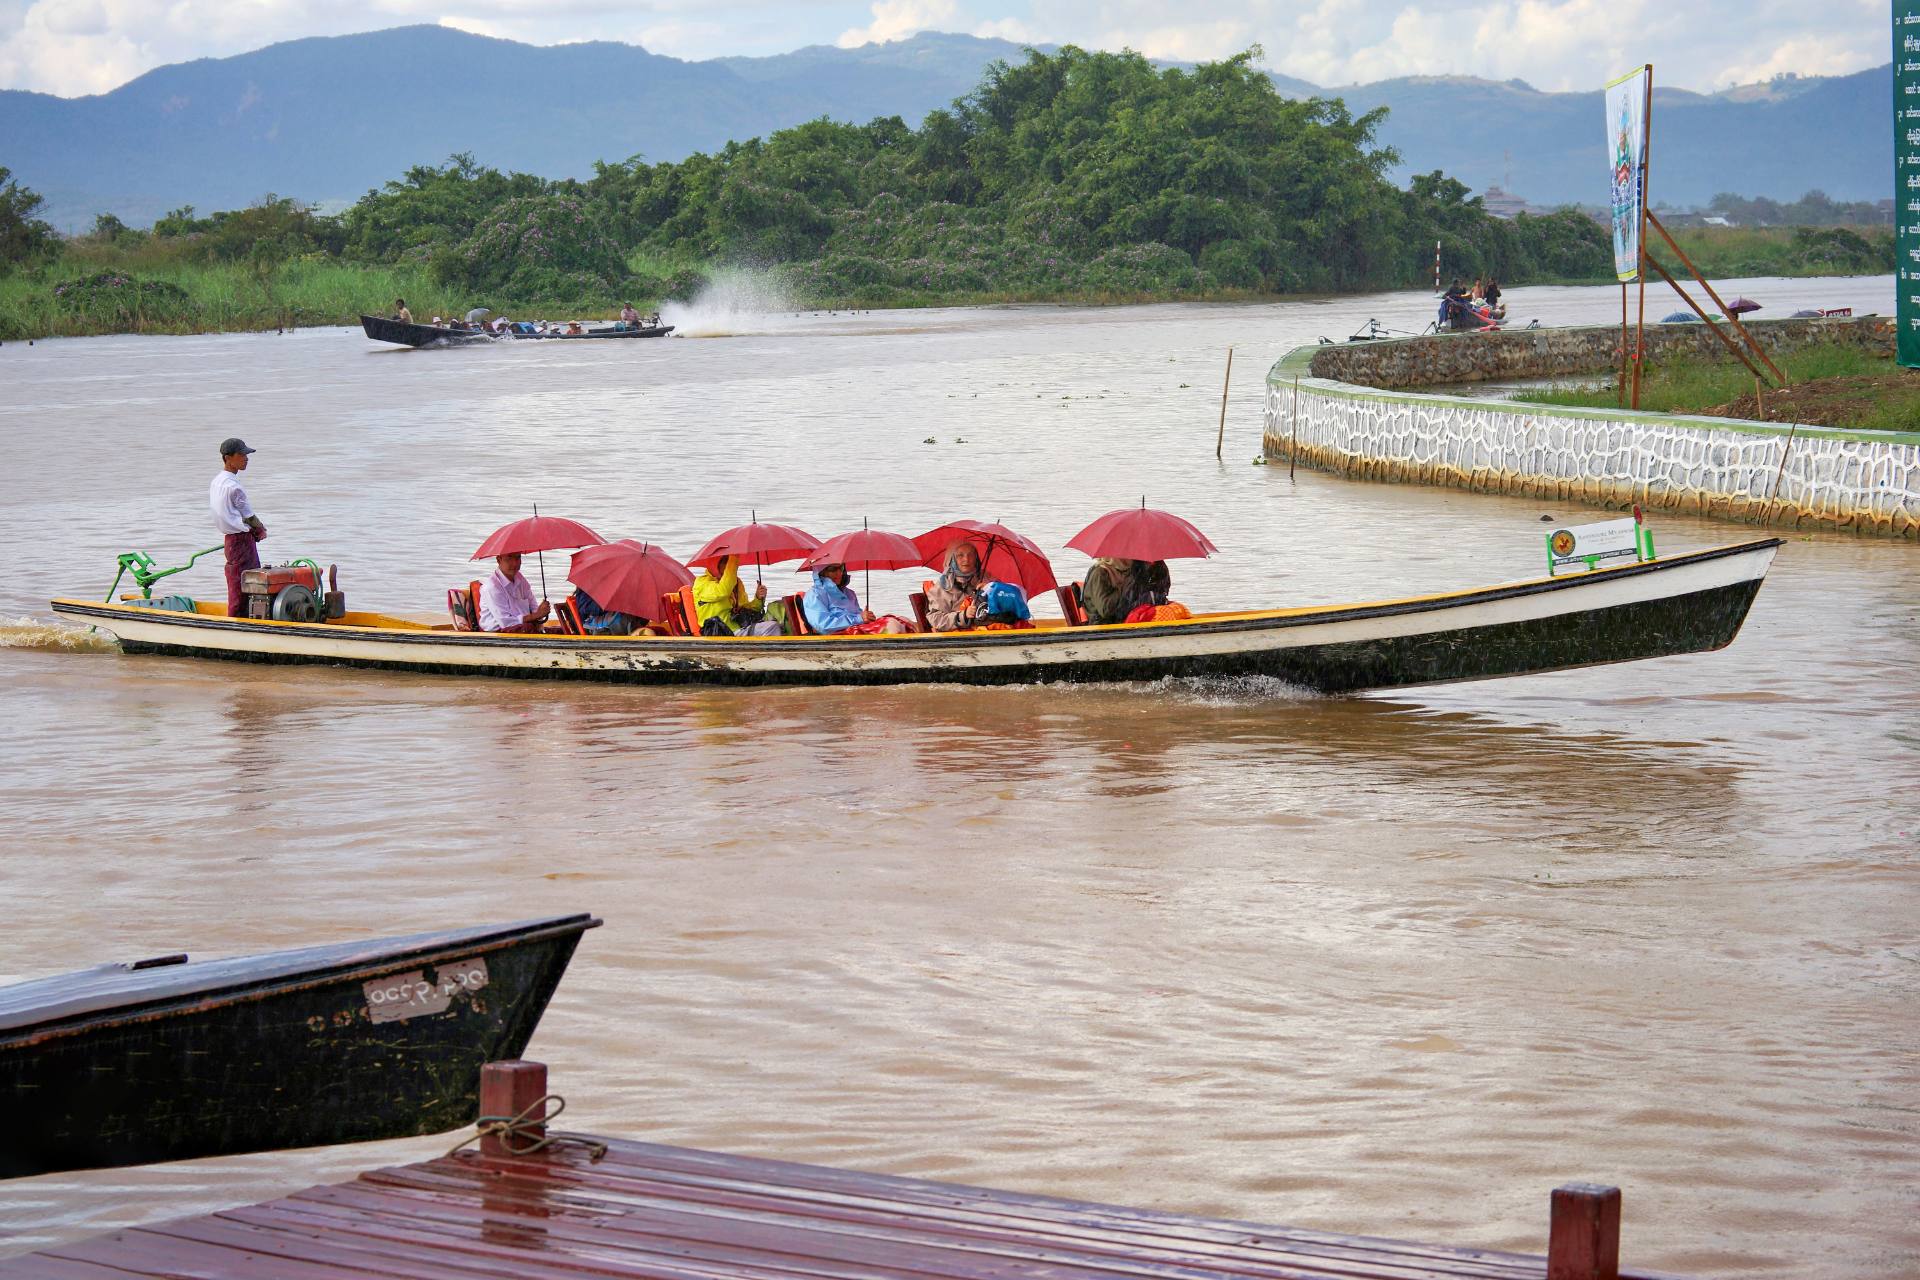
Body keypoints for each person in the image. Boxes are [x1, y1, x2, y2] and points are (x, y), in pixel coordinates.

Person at [210, 437, 266, 618]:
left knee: (235, 581)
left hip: (230, 540)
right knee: (250, 583)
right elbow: (249, 516)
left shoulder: (217, 481)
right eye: (241, 455)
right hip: (241, 541)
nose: (246, 458)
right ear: (228, 458)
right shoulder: (234, 487)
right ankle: (241, 621)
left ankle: (235, 617)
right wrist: (261, 530)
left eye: (246, 455)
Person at [803, 564, 911, 635]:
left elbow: (859, 617)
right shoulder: (814, 595)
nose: (839, 573)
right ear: (822, 572)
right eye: (833, 569)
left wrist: (867, 617)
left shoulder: (849, 593)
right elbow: (823, 625)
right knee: (890, 624)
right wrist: (859, 618)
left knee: (901, 620)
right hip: (836, 636)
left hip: (855, 631)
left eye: (841, 568)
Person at [693, 555, 782, 636]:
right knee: (772, 626)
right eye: (726, 563)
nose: (730, 568)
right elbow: (723, 590)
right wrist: (733, 557)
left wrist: (758, 598)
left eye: (730, 564)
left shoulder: (736, 583)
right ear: (714, 565)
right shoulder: (701, 583)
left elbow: (746, 610)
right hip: (719, 633)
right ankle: (768, 653)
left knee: (779, 611)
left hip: (739, 629)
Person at [1081, 558, 1170, 625]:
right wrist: (1126, 585)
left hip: (1124, 619)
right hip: (1104, 626)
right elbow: (1105, 610)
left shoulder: (1130, 570)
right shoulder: (1100, 573)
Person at [925, 541, 989, 632]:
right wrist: (963, 615)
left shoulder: (985, 577)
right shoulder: (942, 587)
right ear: (952, 559)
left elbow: (1004, 596)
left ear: (976, 558)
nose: (966, 559)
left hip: (985, 629)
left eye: (971, 555)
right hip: (958, 635)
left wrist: (990, 588)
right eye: (960, 555)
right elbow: (935, 619)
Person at [479, 552, 550, 633]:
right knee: (529, 627)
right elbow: (506, 622)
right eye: (509, 558)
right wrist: (536, 615)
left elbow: (533, 605)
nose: (515, 563)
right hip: (498, 632)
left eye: (518, 557)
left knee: (557, 630)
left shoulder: (520, 578)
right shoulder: (491, 587)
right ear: (499, 560)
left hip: (524, 626)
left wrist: (540, 614)